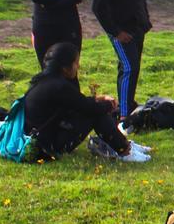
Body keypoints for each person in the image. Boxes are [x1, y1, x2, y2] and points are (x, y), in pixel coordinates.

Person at [20, 42, 150, 162]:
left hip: (39, 143)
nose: (78, 67)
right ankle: (124, 151)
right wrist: (109, 105)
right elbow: (88, 108)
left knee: (94, 110)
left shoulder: (42, 81)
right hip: (48, 148)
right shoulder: (60, 86)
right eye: (76, 63)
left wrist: (97, 99)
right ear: (65, 67)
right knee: (95, 115)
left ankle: (124, 145)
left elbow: (76, 102)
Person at [91, 0, 151, 124]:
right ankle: (124, 116)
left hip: (137, 28)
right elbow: (98, 7)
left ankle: (129, 104)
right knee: (128, 67)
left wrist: (145, 21)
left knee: (134, 67)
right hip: (120, 31)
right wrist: (116, 32)